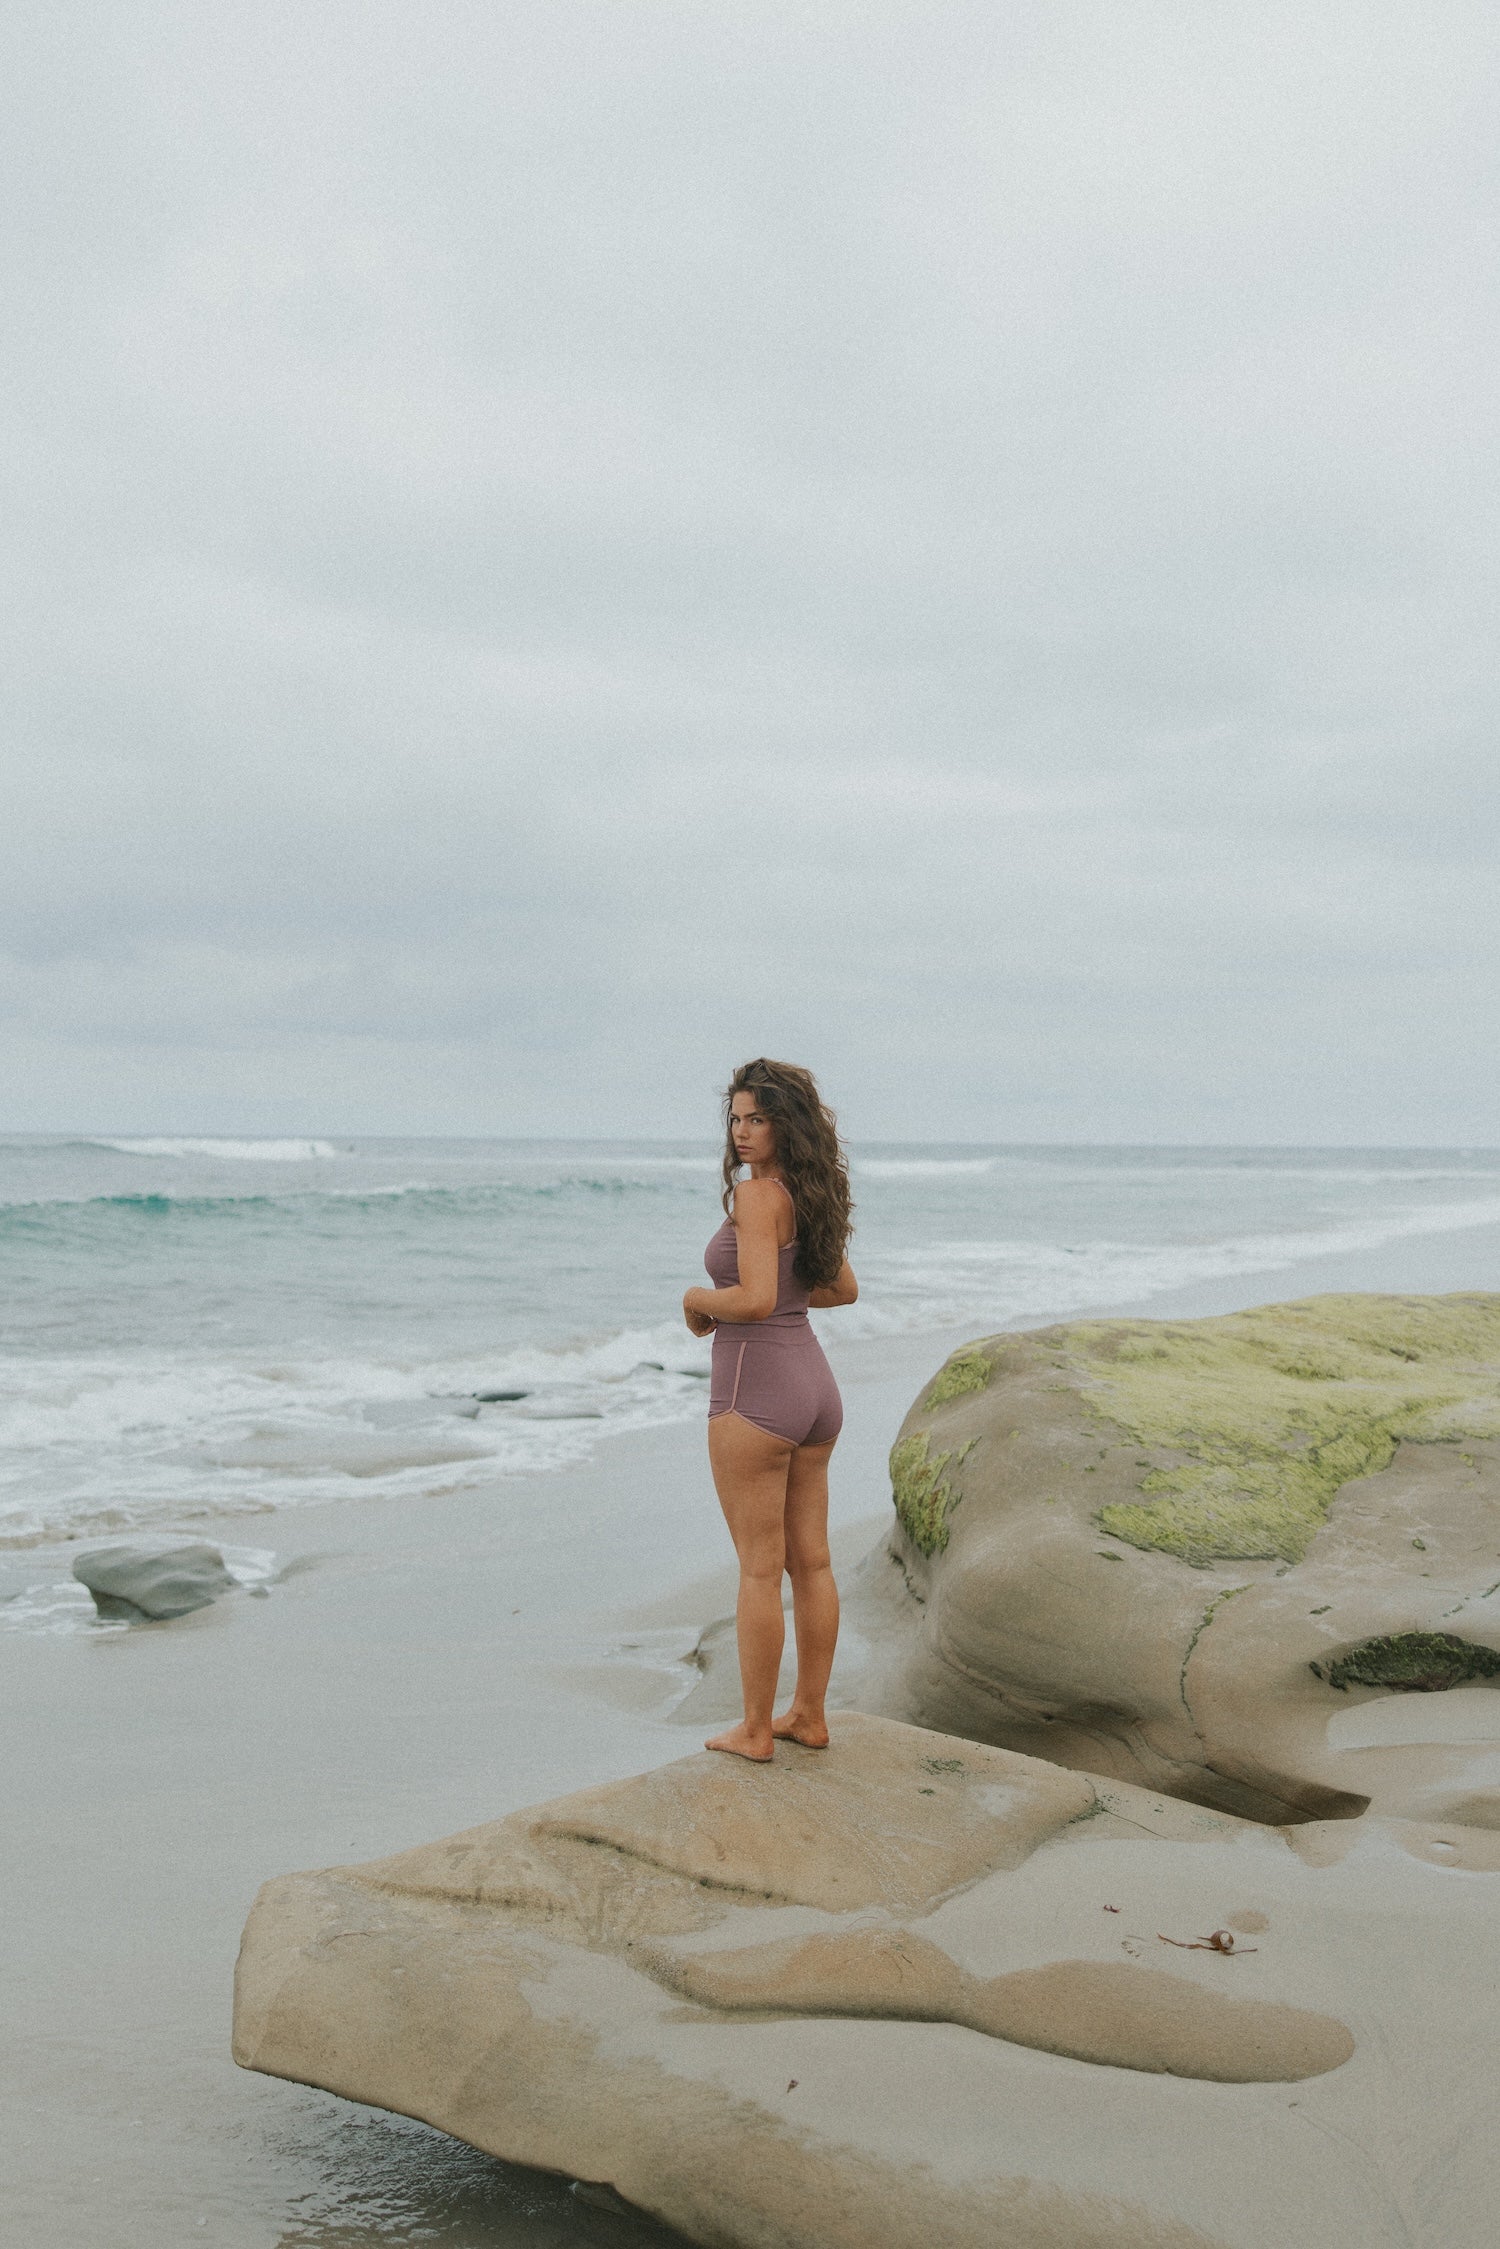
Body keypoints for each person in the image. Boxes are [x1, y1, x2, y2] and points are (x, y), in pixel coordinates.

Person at [682, 1059, 858, 1760]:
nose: (743, 1131)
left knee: (760, 1567)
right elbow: (839, 1289)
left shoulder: (758, 1200)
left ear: (786, 1123)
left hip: (755, 1393)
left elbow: (753, 1299)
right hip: (814, 1389)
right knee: (810, 1562)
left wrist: (697, 1300)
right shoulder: (809, 1193)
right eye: (736, 1118)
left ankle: (757, 1730)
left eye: (757, 1118)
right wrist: (779, 1296)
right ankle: (808, 1716)